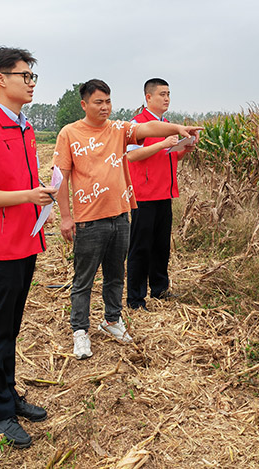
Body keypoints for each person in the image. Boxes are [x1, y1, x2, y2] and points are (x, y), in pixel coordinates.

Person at [53, 79, 202, 360]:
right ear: (84, 104)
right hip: (88, 219)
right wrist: (65, 216)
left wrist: (177, 129)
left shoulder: (119, 129)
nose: (105, 107)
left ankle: (112, 320)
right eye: (99, 102)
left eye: (108, 101)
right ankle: (80, 331)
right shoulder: (69, 133)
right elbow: (60, 178)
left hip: (120, 215)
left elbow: (148, 128)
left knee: (115, 276)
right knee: (83, 280)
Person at [0, 47, 58, 449]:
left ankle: (8, 393)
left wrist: (41, 202)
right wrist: (27, 196)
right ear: (1, 79)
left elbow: (19, 181)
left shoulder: (24, 127)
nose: (31, 83)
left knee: (11, 327)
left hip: (24, 241)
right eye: (26, 75)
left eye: (33, 76)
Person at [126, 78, 197, 310]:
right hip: (144, 194)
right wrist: (163, 142)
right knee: (140, 247)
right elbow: (132, 156)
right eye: (162, 94)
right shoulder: (137, 125)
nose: (166, 98)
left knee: (161, 245)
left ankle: (159, 289)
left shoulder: (166, 124)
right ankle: (136, 298)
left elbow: (169, 156)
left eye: (168, 94)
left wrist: (183, 149)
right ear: (148, 97)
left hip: (165, 193)